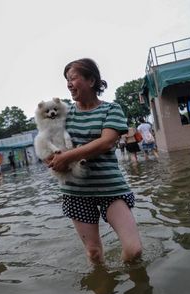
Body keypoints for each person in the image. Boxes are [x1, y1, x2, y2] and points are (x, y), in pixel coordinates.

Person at [47, 58, 142, 264]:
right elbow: (50, 145)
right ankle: (104, 290)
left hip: (111, 189)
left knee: (133, 250)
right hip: (77, 192)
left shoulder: (111, 109)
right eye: (67, 79)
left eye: (73, 78)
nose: (69, 84)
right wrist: (52, 157)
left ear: (91, 81)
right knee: (94, 253)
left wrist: (68, 156)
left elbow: (107, 142)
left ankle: (128, 286)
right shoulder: (62, 114)